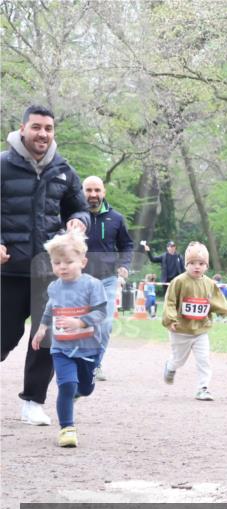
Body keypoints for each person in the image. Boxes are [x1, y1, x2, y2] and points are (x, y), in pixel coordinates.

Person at [1, 104, 91, 426]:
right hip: (8, 270)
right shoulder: (2, 165)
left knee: (46, 336)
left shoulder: (63, 170)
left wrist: (79, 223)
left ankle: (33, 402)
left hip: (50, 273)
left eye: (48, 129)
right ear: (23, 128)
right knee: (4, 335)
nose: (43, 134)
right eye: (37, 127)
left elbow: (79, 209)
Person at [29, 231, 107, 447]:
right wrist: (42, 327)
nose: (62, 267)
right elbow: (50, 308)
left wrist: (80, 322)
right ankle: (67, 428)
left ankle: (77, 393)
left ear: (83, 261)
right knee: (66, 385)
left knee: (85, 389)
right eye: (56, 263)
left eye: (68, 262)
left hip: (89, 348)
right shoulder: (54, 287)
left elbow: (101, 313)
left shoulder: (92, 285)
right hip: (62, 347)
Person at [161, 242, 227, 400]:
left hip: (201, 330)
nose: (196, 267)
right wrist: (171, 319)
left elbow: (215, 300)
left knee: (204, 359)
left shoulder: (209, 283)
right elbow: (170, 301)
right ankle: (170, 366)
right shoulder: (179, 282)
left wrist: (224, 310)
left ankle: (203, 388)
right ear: (186, 264)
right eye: (192, 263)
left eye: (201, 263)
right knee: (179, 360)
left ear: (206, 266)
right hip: (180, 330)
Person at [82, 175, 134, 381]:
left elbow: (127, 245)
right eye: (89, 190)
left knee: (104, 324)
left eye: (97, 190)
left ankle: (95, 364)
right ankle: (76, 361)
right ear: (82, 192)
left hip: (107, 279)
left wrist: (124, 265)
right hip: (79, 280)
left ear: (104, 192)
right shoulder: (73, 217)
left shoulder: (117, 219)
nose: (93, 195)